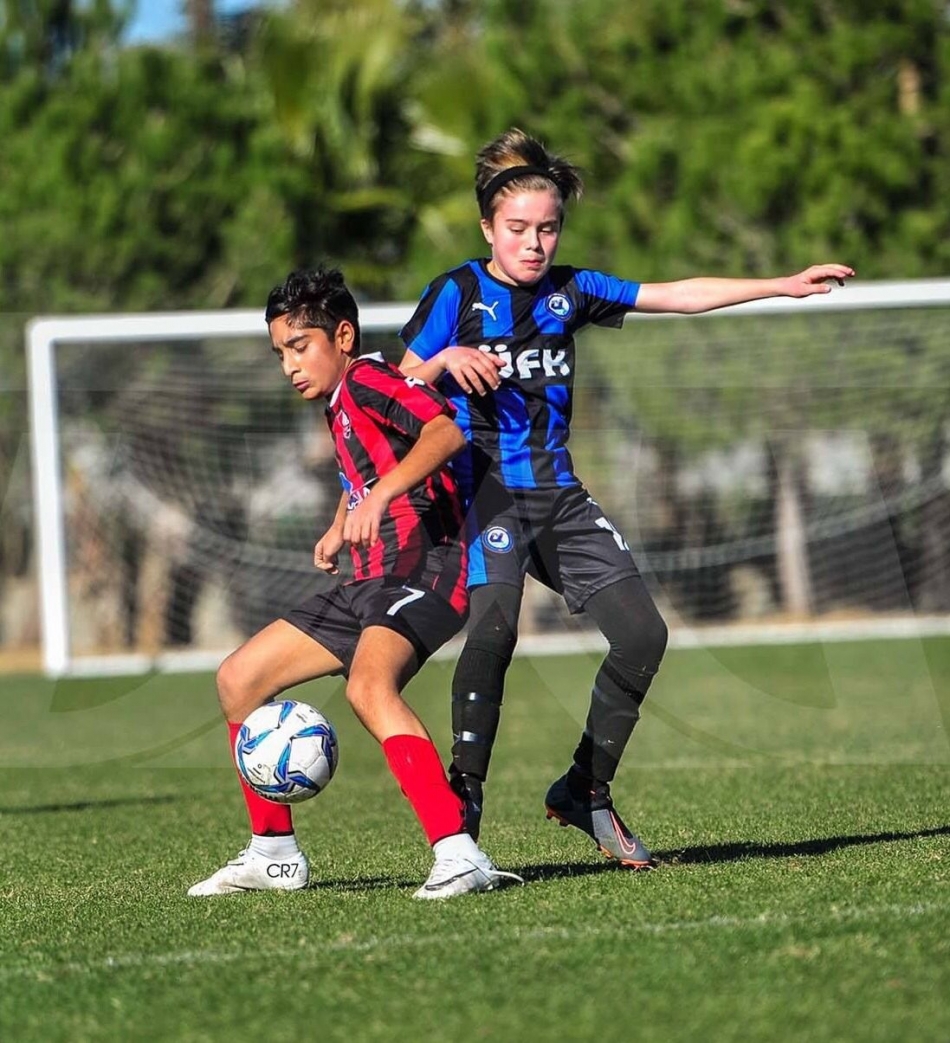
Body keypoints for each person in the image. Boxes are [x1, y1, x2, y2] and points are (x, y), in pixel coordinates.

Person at [399, 127, 854, 868]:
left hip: (560, 498)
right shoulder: (458, 292)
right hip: (486, 492)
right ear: (487, 228)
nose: (534, 243)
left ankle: (585, 788)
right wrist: (445, 358)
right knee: (494, 632)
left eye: (548, 228)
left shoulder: (573, 290)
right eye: (518, 228)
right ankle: (462, 811)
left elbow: (674, 294)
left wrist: (780, 284)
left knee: (644, 636)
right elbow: (394, 382)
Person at [188, 266, 521, 899]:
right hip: (369, 580)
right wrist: (342, 521)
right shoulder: (341, 401)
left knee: (369, 688)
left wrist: (382, 497)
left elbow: (445, 430)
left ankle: (460, 854)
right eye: (280, 352)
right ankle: (273, 855)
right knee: (239, 679)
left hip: (425, 568)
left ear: (342, 337)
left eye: (299, 346)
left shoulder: (368, 380)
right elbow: (369, 470)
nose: (290, 364)